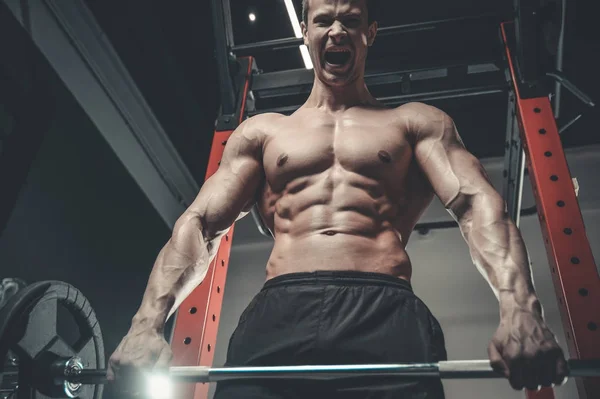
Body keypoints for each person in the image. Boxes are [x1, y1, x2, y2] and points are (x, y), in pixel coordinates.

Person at [107, 0, 568, 397]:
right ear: (305, 30)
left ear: (370, 33)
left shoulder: (416, 123)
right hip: (280, 311)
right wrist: (145, 325)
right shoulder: (263, 133)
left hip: (382, 309)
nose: (337, 31)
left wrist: (520, 309)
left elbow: (477, 205)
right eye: (324, 20)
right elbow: (200, 224)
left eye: (350, 20)